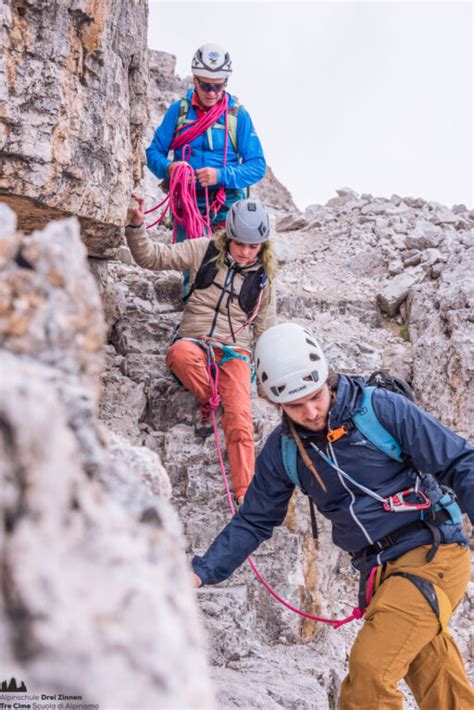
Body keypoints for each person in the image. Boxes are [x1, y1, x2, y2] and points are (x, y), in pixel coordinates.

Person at [191, 322, 474, 709]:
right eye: (295, 405)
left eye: (315, 395)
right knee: (438, 679)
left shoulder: (379, 409)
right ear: (277, 405)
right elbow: (254, 519)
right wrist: (203, 570)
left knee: (369, 676)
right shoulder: (283, 451)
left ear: (327, 378)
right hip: (379, 574)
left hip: (432, 554)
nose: (311, 411)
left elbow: (459, 461)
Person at [125, 195, 277, 505]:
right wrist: (137, 224)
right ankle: (213, 399)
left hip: (235, 352)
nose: (246, 252)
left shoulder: (264, 282)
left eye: (253, 246)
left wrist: (265, 388)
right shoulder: (202, 251)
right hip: (195, 343)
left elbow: (265, 334)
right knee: (178, 354)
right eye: (240, 244)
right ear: (228, 237)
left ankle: (245, 492)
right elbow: (152, 257)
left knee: (240, 418)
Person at [146, 41, 266, 239]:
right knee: (192, 267)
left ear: (225, 82)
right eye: (205, 85)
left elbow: (257, 166)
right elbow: (153, 153)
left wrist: (220, 175)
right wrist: (170, 168)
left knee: (226, 266)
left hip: (227, 204)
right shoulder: (178, 112)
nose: (211, 92)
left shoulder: (238, 116)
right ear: (194, 80)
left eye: (217, 86)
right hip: (187, 204)